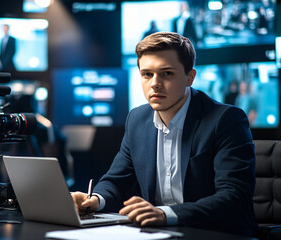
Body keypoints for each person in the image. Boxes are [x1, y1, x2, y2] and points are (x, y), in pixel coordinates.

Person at [71, 32, 257, 236]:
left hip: (214, 232)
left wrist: (165, 214)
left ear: (190, 77)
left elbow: (234, 197)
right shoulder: (137, 119)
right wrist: (95, 200)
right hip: (157, 233)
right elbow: (116, 181)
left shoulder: (226, 120)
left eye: (167, 73)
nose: (155, 84)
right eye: (147, 74)